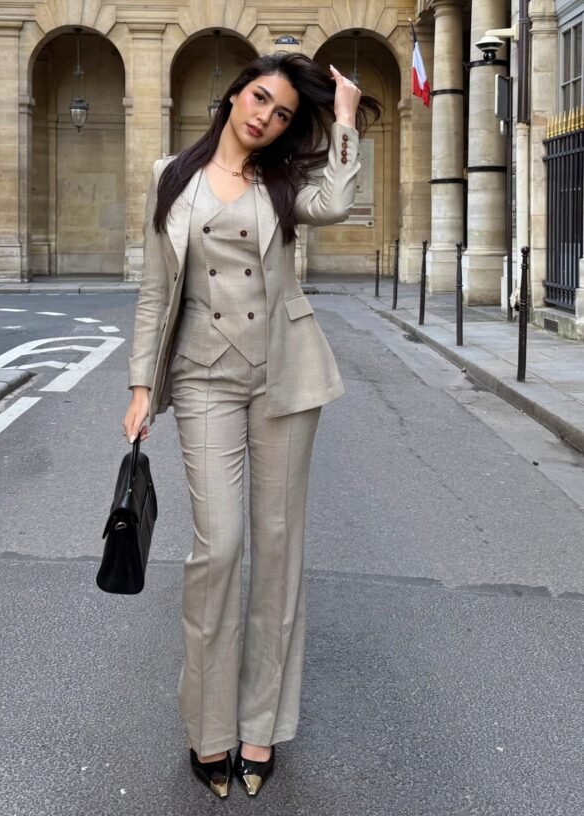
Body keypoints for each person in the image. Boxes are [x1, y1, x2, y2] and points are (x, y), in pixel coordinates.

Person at [122, 52, 379, 798]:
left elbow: (335, 202)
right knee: (219, 547)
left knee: (277, 547)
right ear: (235, 93)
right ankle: (208, 729)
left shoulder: (284, 184)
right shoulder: (171, 176)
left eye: (280, 114)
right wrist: (143, 382)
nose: (264, 116)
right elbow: (151, 289)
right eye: (259, 98)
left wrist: (343, 118)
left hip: (283, 376)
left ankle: (260, 726)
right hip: (202, 377)